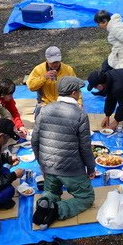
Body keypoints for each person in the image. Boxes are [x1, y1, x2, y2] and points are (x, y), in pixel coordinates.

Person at [31, 76, 97, 227]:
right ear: (74, 93)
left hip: (48, 166)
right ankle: (57, 210)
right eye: (79, 91)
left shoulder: (44, 109)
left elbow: (34, 140)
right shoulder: (80, 114)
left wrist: (41, 163)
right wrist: (91, 167)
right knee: (86, 197)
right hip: (71, 168)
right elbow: (85, 146)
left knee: (51, 192)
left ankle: (44, 204)